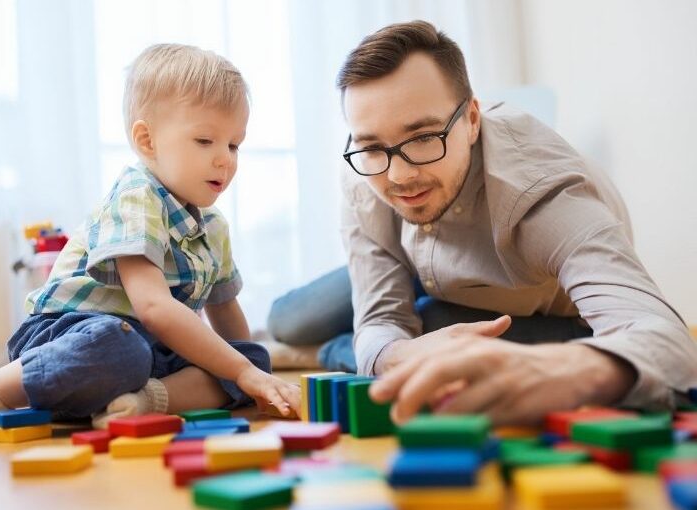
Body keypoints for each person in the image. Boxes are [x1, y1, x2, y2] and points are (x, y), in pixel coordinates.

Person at [268, 20, 697, 426]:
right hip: (420, 266)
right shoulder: (364, 170)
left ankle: (341, 349)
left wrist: (577, 367)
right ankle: (350, 346)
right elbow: (383, 317)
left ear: (472, 120)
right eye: (372, 146)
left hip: (533, 306)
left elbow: (670, 344)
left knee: (434, 325)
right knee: (289, 321)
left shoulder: (544, 195)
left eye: (422, 138)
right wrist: (392, 354)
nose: (398, 176)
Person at [0, 43, 300, 448]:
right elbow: (154, 308)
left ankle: (143, 402)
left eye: (234, 145)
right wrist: (240, 372)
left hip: (147, 356)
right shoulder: (137, 197)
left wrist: (252, 373)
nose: (225, 160)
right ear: (147, 141)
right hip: (70, 338)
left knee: (250, 356)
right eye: (204, 141)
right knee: (120, 346)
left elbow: (226, 313)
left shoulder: (213, 227)